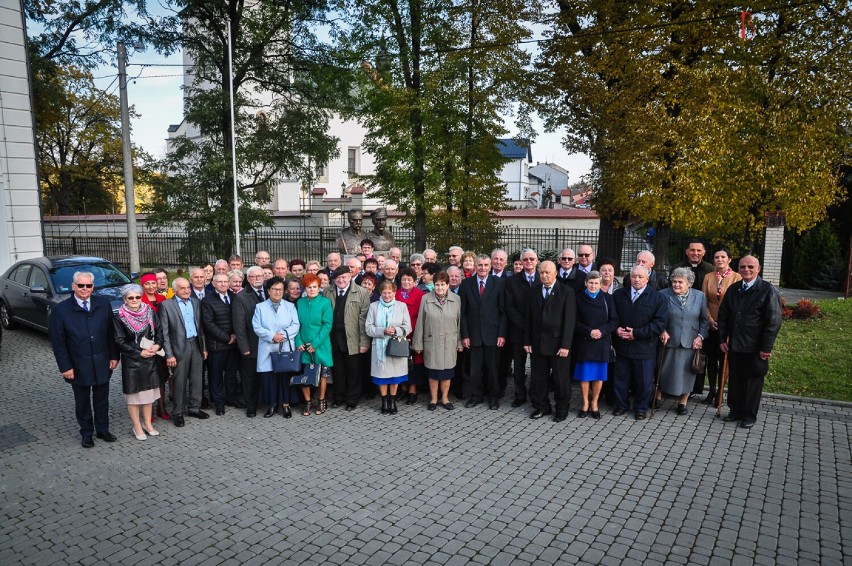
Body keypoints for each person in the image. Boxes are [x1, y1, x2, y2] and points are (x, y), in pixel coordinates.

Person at [49, 271, 120, 448]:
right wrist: (65, 367)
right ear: (73, 286)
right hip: (78, 364)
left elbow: (110, 333)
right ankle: (86, 432)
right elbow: (59, 342)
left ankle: (103, 429)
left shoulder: (103, 304)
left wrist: (113, 355)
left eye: (88, 285)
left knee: (102, 398)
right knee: (82, 401)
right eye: (81, 285)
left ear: (93, 287)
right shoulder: (60, 310)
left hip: (102, 361)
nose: (85, 289)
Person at [717, 255, 782, 429]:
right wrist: (722, 338)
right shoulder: (734, 289)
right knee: (736, 380)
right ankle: (735, 411)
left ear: (758, 269)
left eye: (750, 267)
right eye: (743, 266)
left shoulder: (767, 290)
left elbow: (773, 321)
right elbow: (723, 316)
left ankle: (749, 415)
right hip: (734, 345)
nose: (746, 270)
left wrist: (766, 348)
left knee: (752, 382)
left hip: (755, 347)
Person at [611, 266, 668, 420]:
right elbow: (612, 316)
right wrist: (616, 329)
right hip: (622, 346)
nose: (636, 279)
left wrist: (636, 333)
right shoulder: (618, 295)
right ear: (629, 278)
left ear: (647, 279)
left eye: (640, 277)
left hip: (644, 347)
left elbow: (659, 324)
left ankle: (641, 408)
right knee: (621, 379)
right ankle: (621, 405)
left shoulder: (658, 298)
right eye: (634, 276)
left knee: (644, 381)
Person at [524, 261, 577, 422]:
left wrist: (565, 345)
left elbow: (570, 321)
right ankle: (542, 407)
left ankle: (561, 409)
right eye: (542, 273)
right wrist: (527, 341)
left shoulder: (566, 292)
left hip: (558, 345)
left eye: (548, 272)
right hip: (537, 342)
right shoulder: (533, 291)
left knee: (560, 380)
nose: (544, 275)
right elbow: (529, 319)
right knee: (539, 378)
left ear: (556, 273)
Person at [656, 268, 709, 415]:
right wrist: (662, 331)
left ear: (689, 283)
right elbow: (657, 317)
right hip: (668, 338)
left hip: (690, 340)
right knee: (663, 369)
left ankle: (683, 401)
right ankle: (658, 395)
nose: (676, 284)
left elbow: (704, 320)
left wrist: (700, 337)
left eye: (680, 282)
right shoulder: (663, 294)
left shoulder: (699, 296)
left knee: (687, 372)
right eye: (674, 281)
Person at [113, 285, 163, 440]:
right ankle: (136, 426)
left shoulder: (150, 312)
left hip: (151, 360)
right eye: (131, 298)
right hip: (133, 362)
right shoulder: (119, 317)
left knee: (148, 396)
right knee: (134, 397)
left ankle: (147, 424)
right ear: (125, 300)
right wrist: (139, 352)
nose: (135, 300)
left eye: (137, 297)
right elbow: (119, 341)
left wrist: (157, 345)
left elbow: (160, 331)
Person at [459, 254, 508, 409]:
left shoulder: (499, 283)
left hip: (493, 335)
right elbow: (463, 313)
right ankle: (476, 396)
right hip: (473, 335)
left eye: (486, 265)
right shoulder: (466, 284)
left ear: (490, 266)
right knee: (475, 369)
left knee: (493, 369)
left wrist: (502, 334)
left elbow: (503, 312)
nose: (483, 268)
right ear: (475, 266)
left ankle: (493, 397)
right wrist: (465, 335)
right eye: (480, 265)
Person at [159, 277, 209, 427]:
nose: (187, 290)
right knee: (179, 381)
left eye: (188, 287)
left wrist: (204, 347)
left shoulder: (195, 302)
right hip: (178, 348)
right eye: (183, 288)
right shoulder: (166, 305)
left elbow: (201, 327)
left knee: (197, 379)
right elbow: (165, 333)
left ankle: (194, 407)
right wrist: (169, 354)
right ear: (174, 290)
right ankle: (178, 412)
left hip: (196, 344)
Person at [413, 272, 462, 411]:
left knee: (447, 373)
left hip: (449, 342)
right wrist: (418, 343)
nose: (440, 287)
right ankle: (434, 399)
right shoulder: (425, 299)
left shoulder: (457, 299)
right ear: (433, 285)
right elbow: (420, 321)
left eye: (442, 284)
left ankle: (445, 398)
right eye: (437, 284)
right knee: (433, 373)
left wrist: (459, 343)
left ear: (448, 285)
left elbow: (459, 323)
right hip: (432, 341)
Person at [253, 277, 301, 418]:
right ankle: (272, 405)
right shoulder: (260, 307)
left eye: (280, 289)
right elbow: (256, 326)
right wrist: (272, 336)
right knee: (270, 378)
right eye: (274, 289)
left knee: (284, 377)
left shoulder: (290, 306)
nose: (277, 292)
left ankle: (285, 405)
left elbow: (295, 325)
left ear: (284, 291)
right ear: (268, 291)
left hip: (284, 346)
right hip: (268, 347)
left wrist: (283, 335)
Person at [573, 271, 618, 419]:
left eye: (596, 283)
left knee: (599, 376)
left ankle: (595, 403)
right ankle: (585, 403)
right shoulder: (578, 299)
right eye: (590, 283)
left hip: (601, 342)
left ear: (601, 284)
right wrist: (589, 332)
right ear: (586, 283)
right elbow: (574, 321)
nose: (593, 286)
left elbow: (613, 321)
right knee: (585, 376)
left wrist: (601, 331)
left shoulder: (607, 299)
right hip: (584, 341)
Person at [324, 266, 371, 410]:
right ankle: (338, 397)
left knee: (353, 371)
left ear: (349, 276)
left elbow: (364, 320)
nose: (341, 280)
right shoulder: (328, 291)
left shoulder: (361, 293)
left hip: (353, 338)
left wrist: (364, 342)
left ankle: (352, 400)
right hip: (333, 339)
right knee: (338, 371)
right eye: (338, 278)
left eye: (344, 277)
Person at [701, 248, 742, 405]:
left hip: (728, 325)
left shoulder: (736, 277)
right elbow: (703, 300)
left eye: (723, 257)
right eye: (716, 257)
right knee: (711, 360)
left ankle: (720, 392)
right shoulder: (708, 277)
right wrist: (709, 319)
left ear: (729, 259)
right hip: (711, 323)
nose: (719, 260)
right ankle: (711, 390)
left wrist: (726, 323)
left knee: (724, 360)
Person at [365, 280, 413, 414]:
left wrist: (396, 330)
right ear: (380, 293)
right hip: (379, 346)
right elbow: (368, 328)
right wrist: (382, 331)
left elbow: (408, 327)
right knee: (382, 377)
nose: (387, 295)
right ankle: (384, 401)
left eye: (389, 292)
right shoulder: (374, 306)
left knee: (394, 376)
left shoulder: (401, 306)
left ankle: (392, 400)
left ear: (394, 292)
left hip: (396, 346)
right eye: (384, 292)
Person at [201, 273, 241, 415]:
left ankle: (231, 398)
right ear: (214, 283)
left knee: (231, 375)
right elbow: (208, 324)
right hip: (217, 345)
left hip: (234, 344)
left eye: (225, 281)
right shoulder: (207, 300)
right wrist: (226, 338)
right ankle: (219, 403)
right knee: (216, 376)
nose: (223, 284)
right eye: (220, 282)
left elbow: (238, 318)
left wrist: (236, 336)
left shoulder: (235, 297)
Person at [504, 248, 538, 407]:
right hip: (518, 331)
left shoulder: (543, 278)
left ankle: (535, 394)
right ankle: (519, 394)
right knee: (518, 366)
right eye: (525, 260)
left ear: (536, 261)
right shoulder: (512, 281)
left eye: (532, 259)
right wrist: (525, 325)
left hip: (538, 332)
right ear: (521, 262)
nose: (529, 262)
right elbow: (509, 307)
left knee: (537, 366)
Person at [295, 274, 333, 416]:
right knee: (305, 374)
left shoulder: (325, 302)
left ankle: (322, 400)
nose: (312, 290)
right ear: (305, 288)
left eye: (314, 287)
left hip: (320, 344)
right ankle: (307, 401)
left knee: (322, 374)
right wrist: (298, 341)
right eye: (309, 287)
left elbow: (327, 325)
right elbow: (296, 325)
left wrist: (315, 344)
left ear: (319, 287)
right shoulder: (300, 303)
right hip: (303, 345)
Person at [232, 266, 266, 417]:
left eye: (260, 276)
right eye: (254, 276)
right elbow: (239, 326)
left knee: (265, 376)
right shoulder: (241, 297)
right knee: (250, 377)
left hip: (268, 343)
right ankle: (251, 406)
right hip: (251, 344)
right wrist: (244, 347)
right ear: (249, 279)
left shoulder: (270, 291)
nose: (258, 278)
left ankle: (264, 401)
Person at [139, 272, 170, 420]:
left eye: (153, 283)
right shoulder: (140, 300)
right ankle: (149, 410)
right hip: (146, 343)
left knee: (162, 376)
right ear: (142, 285)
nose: (151, 286)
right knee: (149, 378)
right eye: (147, 284)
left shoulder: (162, 299)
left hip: (161, 342)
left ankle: (161, 407)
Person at [396, 268, 426, 403]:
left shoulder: (421, 295)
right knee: (399, 362)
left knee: (414, 364)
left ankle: (413, 389)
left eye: (409, 279)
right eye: (404, 279)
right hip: (398, 334)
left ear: (415, 281)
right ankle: (403, 388)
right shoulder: (395, 294)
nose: (406, 282)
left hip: (415, 333)